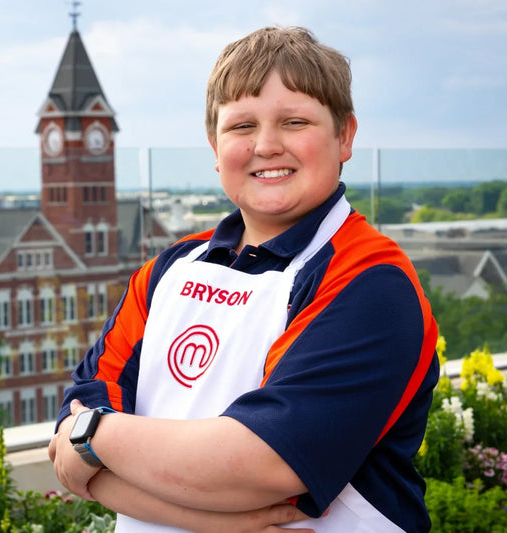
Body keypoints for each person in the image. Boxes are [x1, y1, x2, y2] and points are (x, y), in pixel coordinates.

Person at [49, 25, 439, 532]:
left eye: (295, 121)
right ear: (214, 146)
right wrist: (218, 522)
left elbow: (261, 464)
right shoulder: (169, 270)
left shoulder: (370, 281)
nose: (267, 145)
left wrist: (95, 439)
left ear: (344, 136)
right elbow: (69, 436)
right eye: (241, 126)